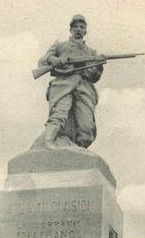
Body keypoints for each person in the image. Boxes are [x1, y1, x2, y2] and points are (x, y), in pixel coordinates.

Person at [36, 14, 104, 149]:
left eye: (82, 27)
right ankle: (49, 140)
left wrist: (99, 64)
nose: (78, 29)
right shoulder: (60, 46)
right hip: (63, 84)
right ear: (70, 30)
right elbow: (42, 62)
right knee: (59, 113)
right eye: (76, 27)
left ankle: (79, 150)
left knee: (87, 125)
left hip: (84, 88)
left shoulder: (91, 52)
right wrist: (53, 60)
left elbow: (94, 77)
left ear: (85, 31)